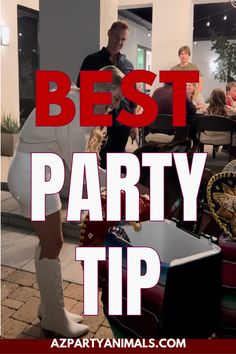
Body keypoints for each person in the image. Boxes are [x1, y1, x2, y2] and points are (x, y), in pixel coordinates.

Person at [8, 65, 124, 338]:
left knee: (50, 241)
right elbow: (83, 170)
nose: (116, 106)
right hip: (32, 176)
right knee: (54, 242)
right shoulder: (72, 107)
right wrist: (129, 183)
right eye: (116, 98)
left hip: (38, 173)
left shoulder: (75, 102)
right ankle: (54, 318)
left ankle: (49, 308)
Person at [77, 20, 138, 169]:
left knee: (116, 164)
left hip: (122, 123)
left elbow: (133, 96)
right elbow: (81, 91)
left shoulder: (128, 65)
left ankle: (112, 191)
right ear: (109, 33)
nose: (119, 42)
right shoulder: (91, 61)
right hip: (99, 122)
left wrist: (134, 123)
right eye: (117, 37)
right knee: (97, 163)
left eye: (123, 39)